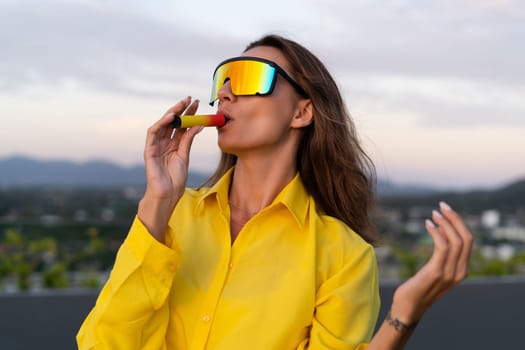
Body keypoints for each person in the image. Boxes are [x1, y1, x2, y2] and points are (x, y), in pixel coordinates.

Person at [77, 34, 473, 349]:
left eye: (249, 78)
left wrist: (403, 314)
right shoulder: (170, 217)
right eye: (223, 80)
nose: (226, 92)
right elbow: (101, 343)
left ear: (302, 112)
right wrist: (158, 201)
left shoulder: (344, 257)